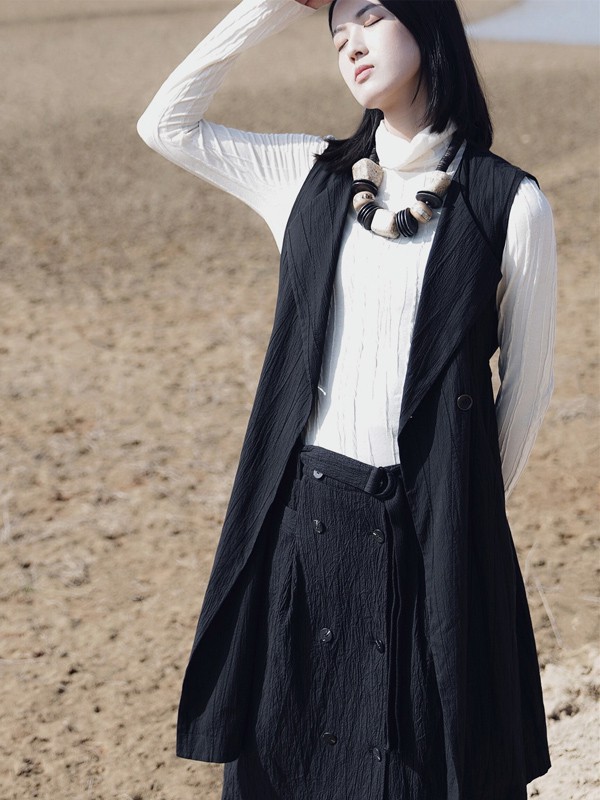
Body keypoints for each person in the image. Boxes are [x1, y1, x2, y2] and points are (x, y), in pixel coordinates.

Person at [137, 0, 557, 797]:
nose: (350, 44)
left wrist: (455, 506)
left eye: (368, 17)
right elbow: (166, 125)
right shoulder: (308, 174)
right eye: (336, 35)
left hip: (430, 536)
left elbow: (529, 390)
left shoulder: (511, 203)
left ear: (426, 19)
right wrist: (270, 6)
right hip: (306, 526)